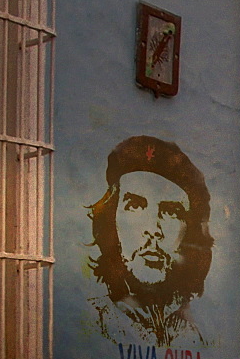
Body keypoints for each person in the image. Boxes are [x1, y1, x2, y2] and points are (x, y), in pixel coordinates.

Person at [86, 136, 214, 345]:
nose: (154, 230)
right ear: (111, 219)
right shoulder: (96, 321)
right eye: (135, 206)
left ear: (188, 231)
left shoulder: (192, 334)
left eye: (171, 212)